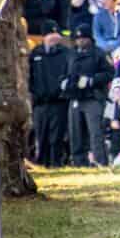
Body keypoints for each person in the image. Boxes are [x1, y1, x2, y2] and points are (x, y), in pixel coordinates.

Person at [62, 23, 115, 167]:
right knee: (75, 132)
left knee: (95, 132)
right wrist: (65, 82)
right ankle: (79, 162)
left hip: (93, 97)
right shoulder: (71, 54)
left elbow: (109, 73)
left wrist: (92, 80)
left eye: (84, 38)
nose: (80, 41)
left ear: (90, 39)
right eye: (78, 39)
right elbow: (66, 72)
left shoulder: (99, 53)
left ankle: (100, 161)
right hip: (75, 97)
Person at [29, 20, 70, 167]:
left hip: (59, 102)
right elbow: (30, 76)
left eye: (56, 33)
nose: (54, 37)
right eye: (51, 33)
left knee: (56, 136)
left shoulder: (65, 53)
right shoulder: (35, 54)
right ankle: (42, 163)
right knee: (41, 135)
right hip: (40, 103)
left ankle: (56, 163)